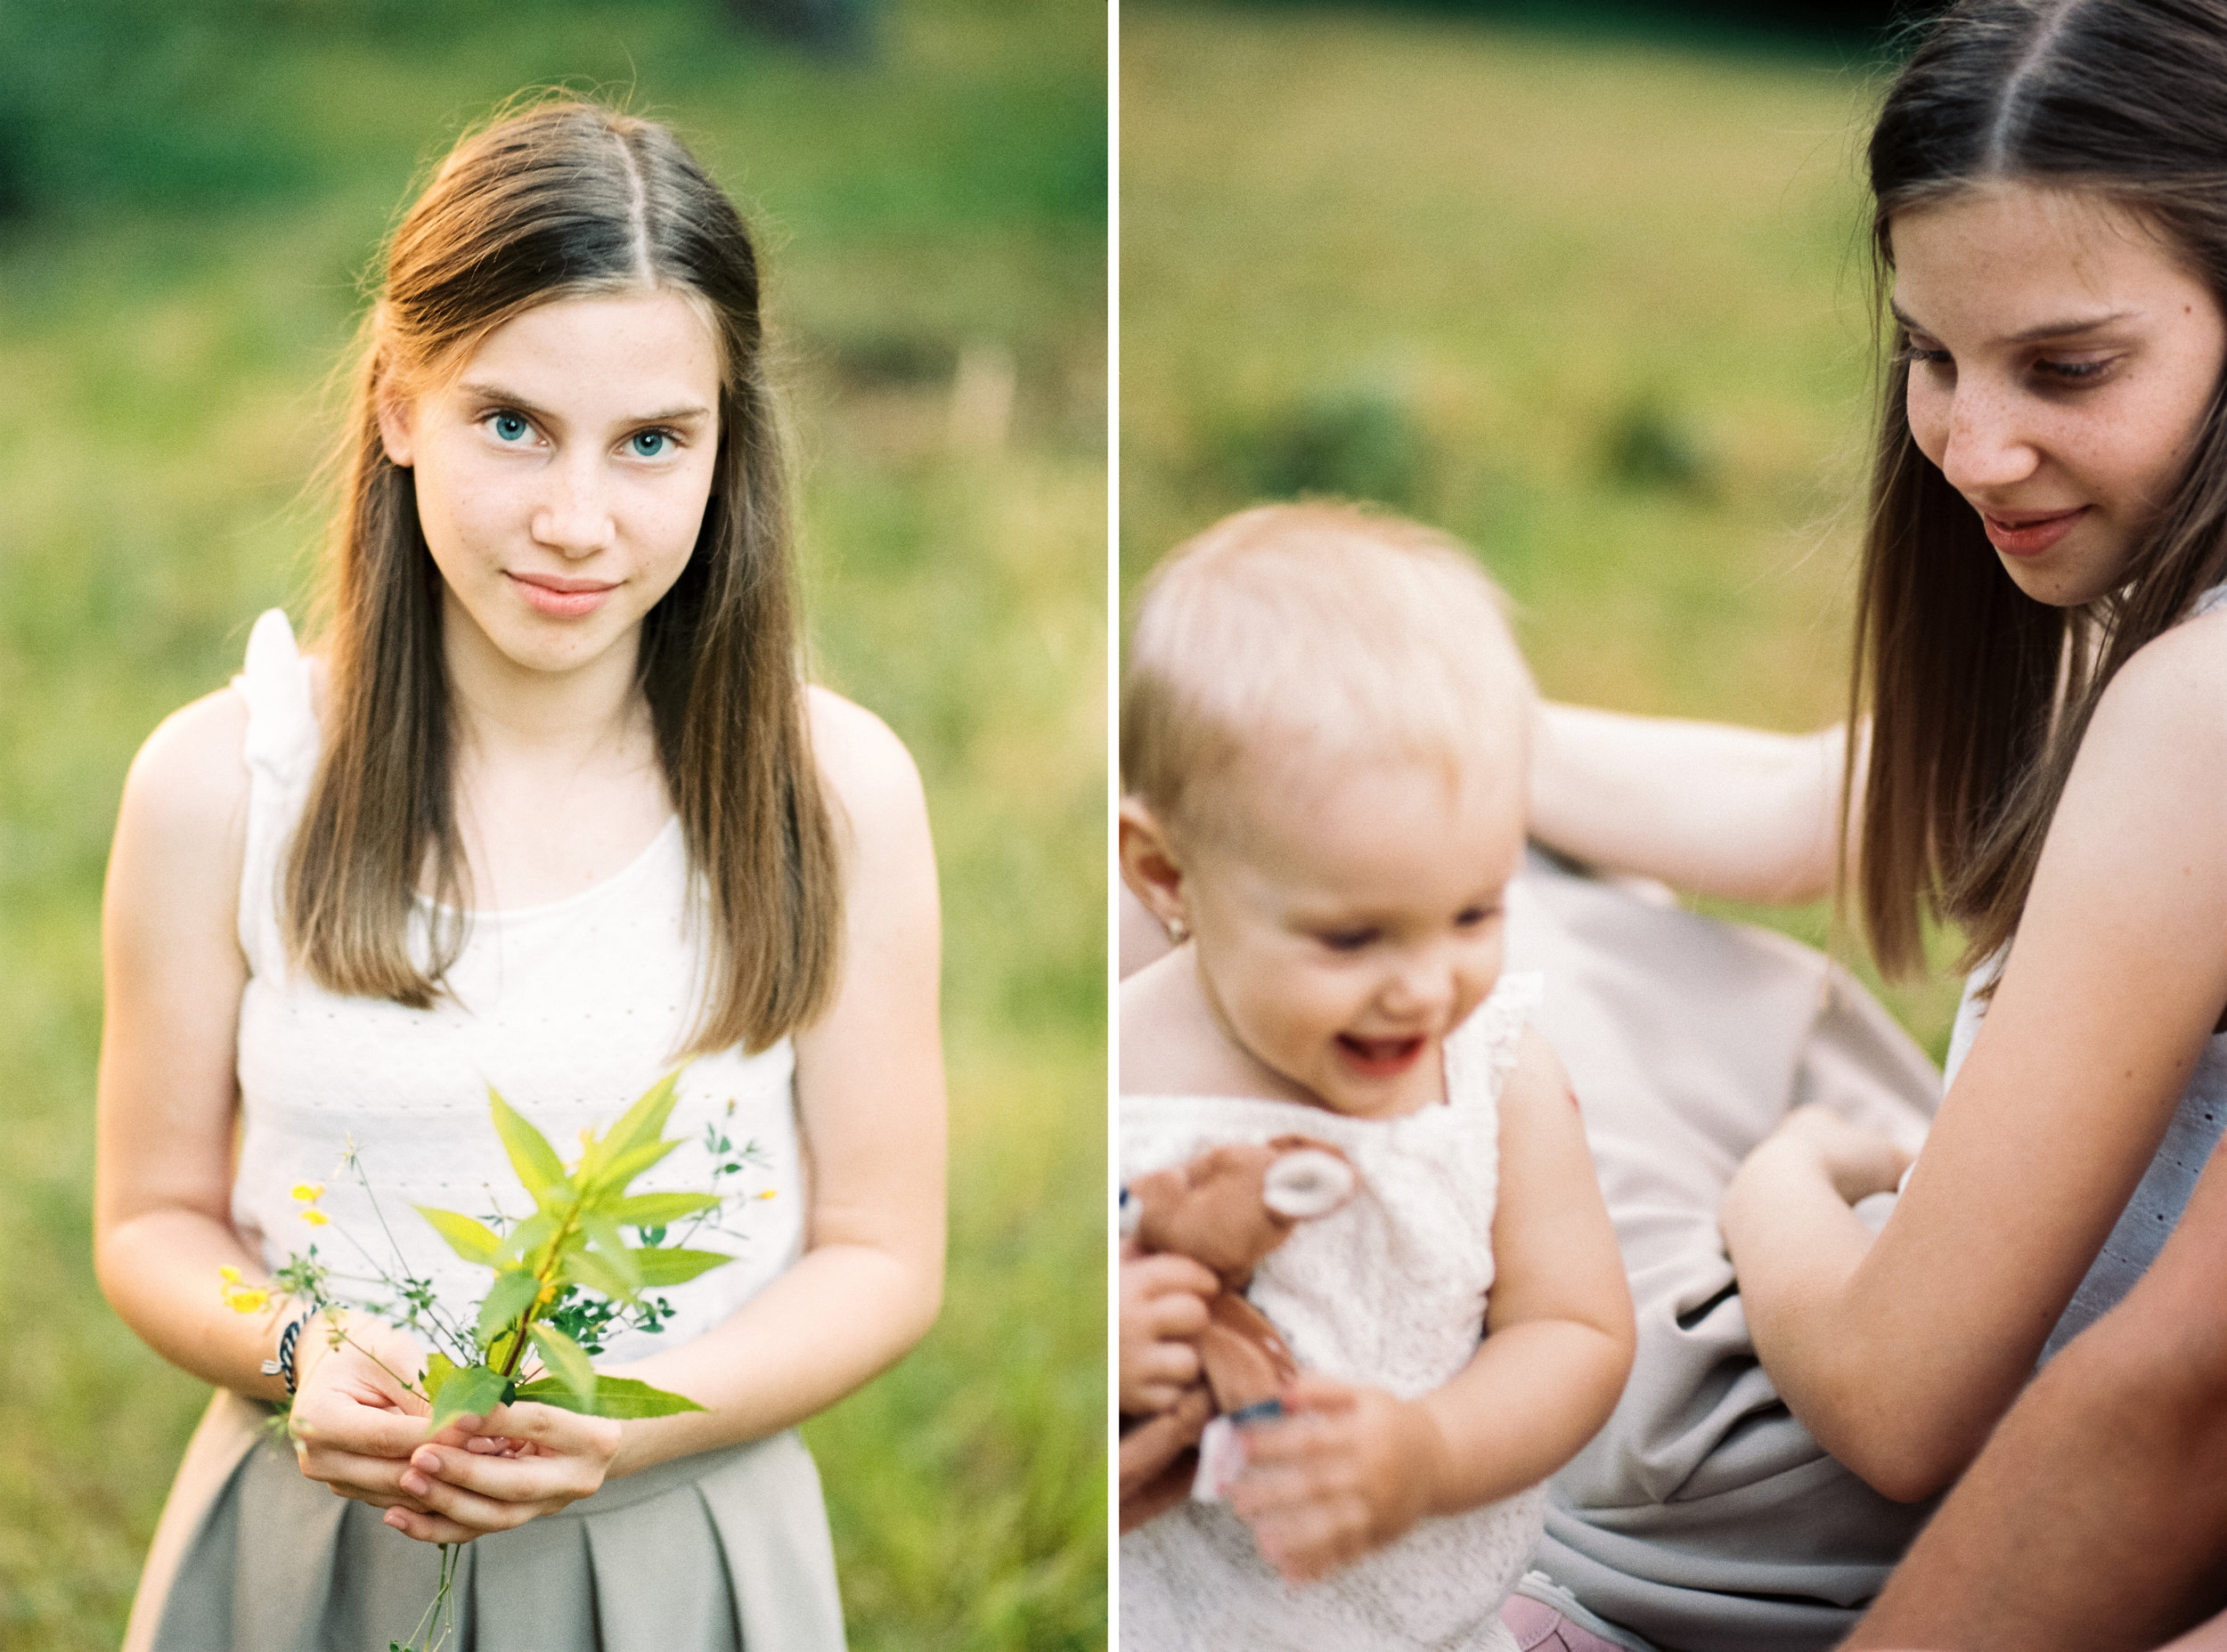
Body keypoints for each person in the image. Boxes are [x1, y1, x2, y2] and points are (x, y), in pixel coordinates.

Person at [96, 99, 945, 1651]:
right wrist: (298, 1350)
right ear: (397, 403)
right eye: (510, 424)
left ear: (723, 443)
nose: (576, 522)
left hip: (681, 1545)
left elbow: (884, 1255)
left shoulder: (831, 795)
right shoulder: (225, 786)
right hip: (315, 1555)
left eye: (650, 443)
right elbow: (148, 1215)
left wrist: (628, 1422)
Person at [1516, 0, 2227, 1644]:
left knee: (1365, 954)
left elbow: (1901, 1397)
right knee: (1468, 879)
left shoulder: (2200, 705)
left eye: (2068, 367)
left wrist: (1775, 1188)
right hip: (1895, 1343)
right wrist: (1433, 729)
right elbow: (1803, 802)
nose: (1974, 448)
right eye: (1931, 355)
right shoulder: (2153, 645)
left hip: (1816, 1482)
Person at [1116, 502, 1636, 1650]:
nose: (1424, 987)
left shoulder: (1492, 1069)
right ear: (1165, 872)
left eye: (1473, 913)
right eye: (1353, 940)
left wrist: (1430, 1452)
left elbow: (1576, 1331)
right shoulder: (1118, 1073)